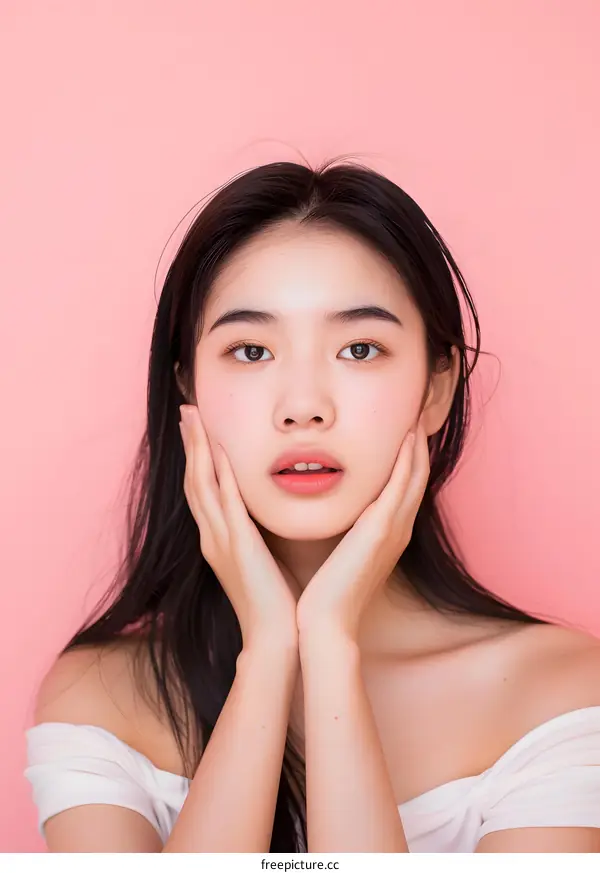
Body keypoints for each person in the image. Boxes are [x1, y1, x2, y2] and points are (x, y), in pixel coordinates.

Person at [24, 157, 600, 854]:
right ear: (189, 391)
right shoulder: (101, 700)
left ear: (437, 389)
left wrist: (329, 641)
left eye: (360, 348)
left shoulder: (558, 694)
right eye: (250, 350)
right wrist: (268, 652)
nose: (303, 407)